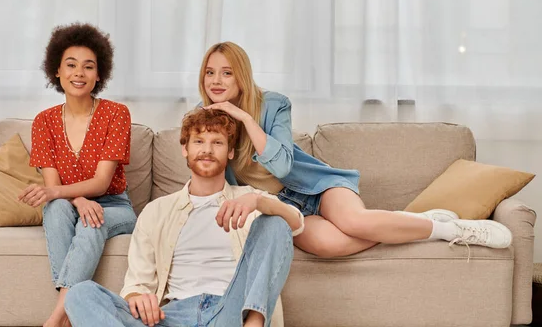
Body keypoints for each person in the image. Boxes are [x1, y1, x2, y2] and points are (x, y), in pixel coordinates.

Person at [197, 41, 512, 258]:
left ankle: (448, 229)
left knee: (356, 223)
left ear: (242, 76)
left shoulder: (274, 104)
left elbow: (280, 166)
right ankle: (410, 219)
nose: (216, 80)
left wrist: (243, 117)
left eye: (226, 72)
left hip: (316, 187)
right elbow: (210, 179)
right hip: (279, 207)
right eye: (210, 72)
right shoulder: (203, 119)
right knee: (330, 246)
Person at [63, 108, 304, 327]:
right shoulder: (156, 211)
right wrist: (138, 298)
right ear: (185, 149)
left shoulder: (250, 199)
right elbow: (137, 283)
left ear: (230, 151)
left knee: (274, 221)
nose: (207, 150)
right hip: (173, 316)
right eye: (199, 141)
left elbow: (294, 223)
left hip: (230, 312)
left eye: (217, 142)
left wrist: (259, 201)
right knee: (80, 294)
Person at [18, 23, 137, 327]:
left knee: (89, 221)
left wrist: (78, 199)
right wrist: (78, 199)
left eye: (88, 66)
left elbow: (102, 182)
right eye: (71, 65)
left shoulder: (116, 114)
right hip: (69, 203)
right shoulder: (43, 122)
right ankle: (68, 314)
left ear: (99, 75)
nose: (79, 73)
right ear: (57, 71)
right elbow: (53, 189)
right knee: (56, 207)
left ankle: (58, 316)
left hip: (115, 206)